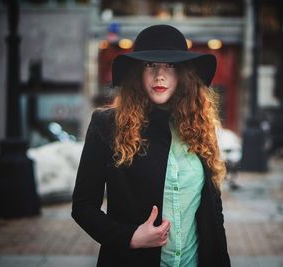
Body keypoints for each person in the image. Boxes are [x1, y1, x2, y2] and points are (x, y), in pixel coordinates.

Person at [72, 24, 231, 267]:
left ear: (184, 74)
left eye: (171, 65)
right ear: (137, 72)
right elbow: (83, 207)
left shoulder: (200, 127)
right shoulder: (107, 125)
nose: (160, 75)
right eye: (150, 64)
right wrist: (130, 237)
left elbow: (213, 211)